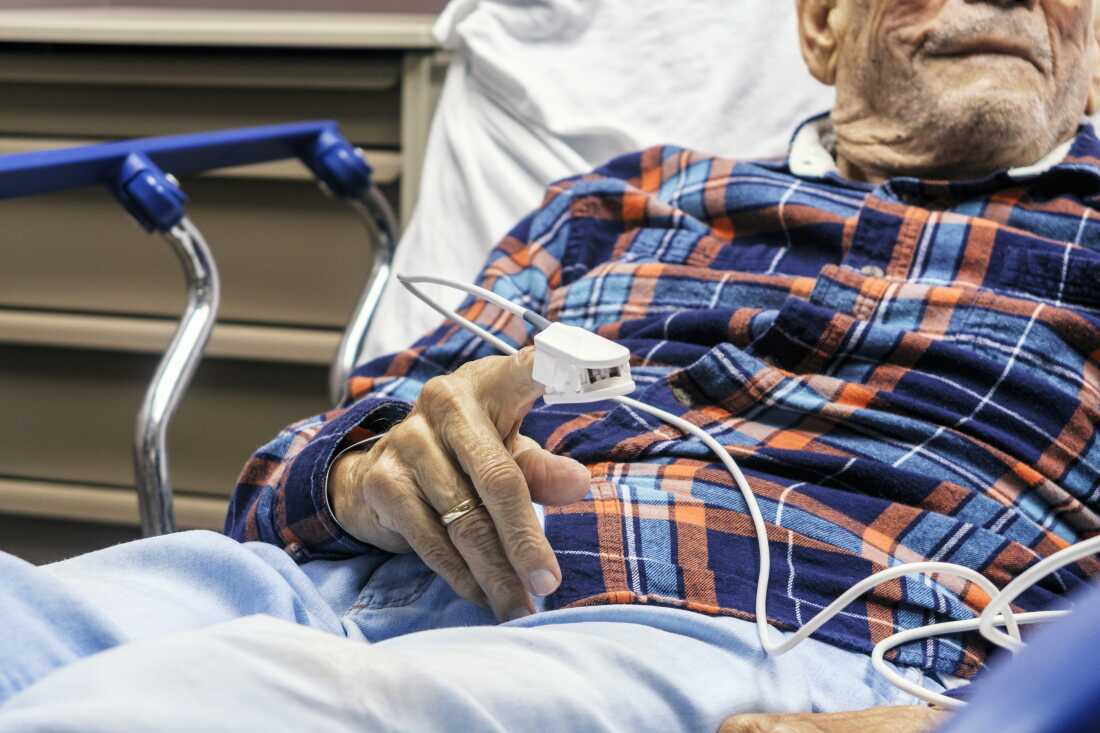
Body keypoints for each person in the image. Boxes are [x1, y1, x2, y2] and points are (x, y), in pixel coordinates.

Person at [3, 1, 1099, 731]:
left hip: (743, 632)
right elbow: (277, 483)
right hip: (314, 583)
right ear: (820, 25)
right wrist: (370, 466)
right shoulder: (621, 198)